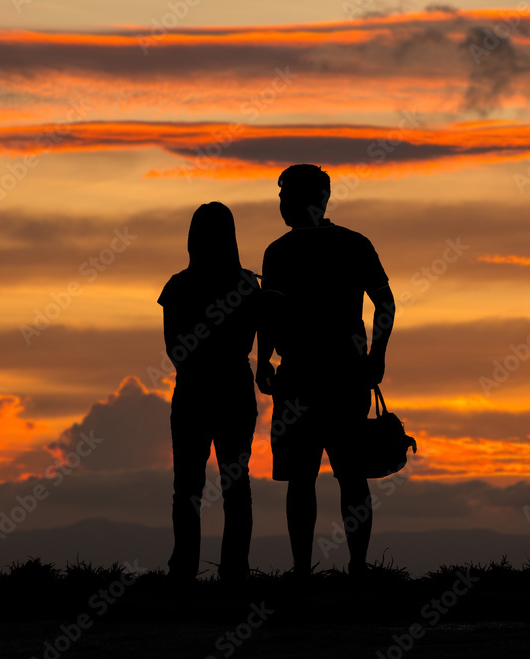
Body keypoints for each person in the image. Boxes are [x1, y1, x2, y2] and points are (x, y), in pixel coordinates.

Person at [256, 164, 395, 577]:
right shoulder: (352, 244)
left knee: (306, 478)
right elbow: (385, 303)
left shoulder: (279, 252)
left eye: (286, 197)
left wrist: (264, 361)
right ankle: (354, 568)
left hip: (302, 377)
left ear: (310, 200)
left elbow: (269, 313)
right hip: (341, 375)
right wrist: (377, 356)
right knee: (348, 476)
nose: (281, 204)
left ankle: (306, 571)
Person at [158, 202, 260, 582]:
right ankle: (235, 569)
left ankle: (183, 568)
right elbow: (254, 335)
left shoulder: (178, 286)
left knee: (187, 485)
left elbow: (174, 348)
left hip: (192, 389)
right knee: (236, 481)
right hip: (234, 387)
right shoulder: (248, 284)